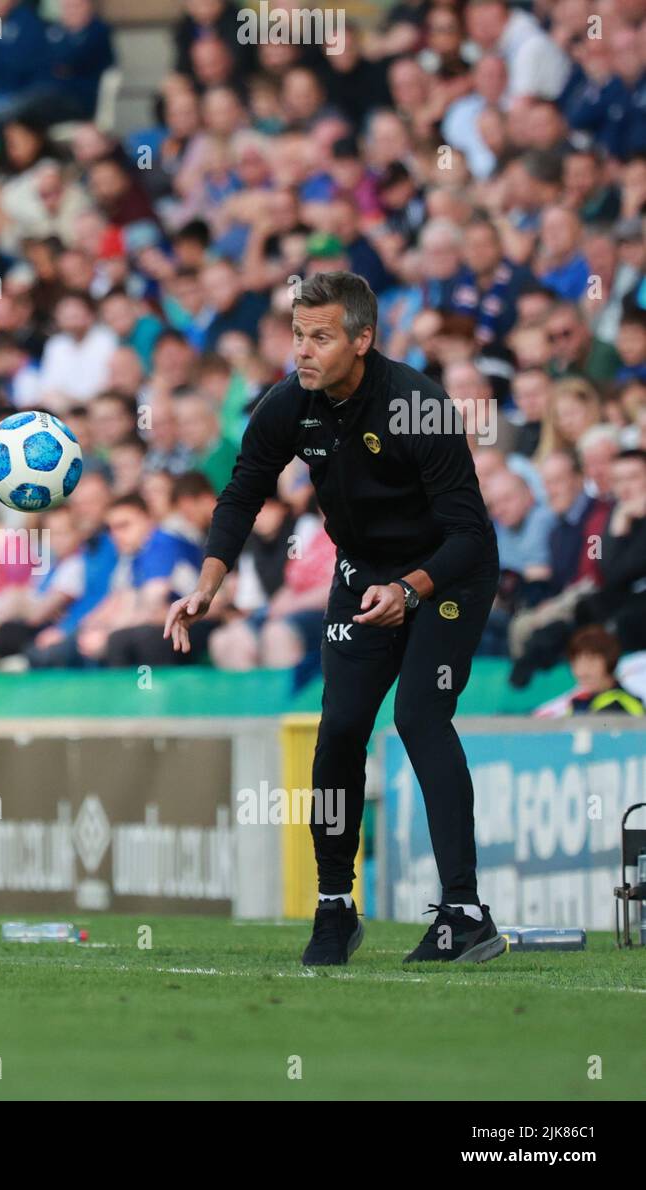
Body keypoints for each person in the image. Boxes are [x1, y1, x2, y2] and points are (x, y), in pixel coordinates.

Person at [166, 271, 505, 966]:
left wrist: (409, 590)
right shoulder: (289, 404)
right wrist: (208, 585)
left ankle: (466, 913)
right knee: (341, 729)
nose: (303, 351)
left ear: (363, 339)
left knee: (418, 716)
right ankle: (334, 907)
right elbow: (241, 494)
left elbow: (470, 533)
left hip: (445, 578)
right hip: (359, 580)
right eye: (297, 334)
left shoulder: (420, 405)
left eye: (320, 337)